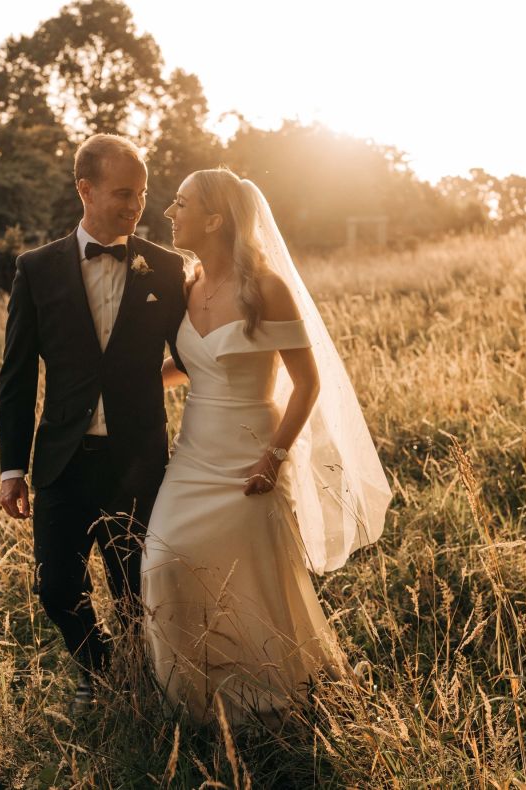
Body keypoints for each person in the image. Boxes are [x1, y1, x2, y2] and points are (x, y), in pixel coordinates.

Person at [141, 167, 392, 725]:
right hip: (194, 453)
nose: (168, 213)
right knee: (163, 562)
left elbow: (307, 382)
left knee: (253, 573)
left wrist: (274, 457)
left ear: (215, 218)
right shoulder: (185, 286)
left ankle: (272, 697)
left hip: (251, 449)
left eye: (180, 203)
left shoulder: (266, 289)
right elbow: (188, 366)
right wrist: (122, 383)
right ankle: (194, 703)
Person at [0, 133, 187, 714]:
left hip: (138, 460)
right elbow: (17, 374)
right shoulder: (37, 269)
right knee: (56, 588)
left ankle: (139, 683)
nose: (136, 206)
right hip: (61, 461)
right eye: (123, 193)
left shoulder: (169, 269)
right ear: (85, 188)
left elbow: (194, 355)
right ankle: (95, 668)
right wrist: (11, 468)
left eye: (143, 194)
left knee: (135, 591)